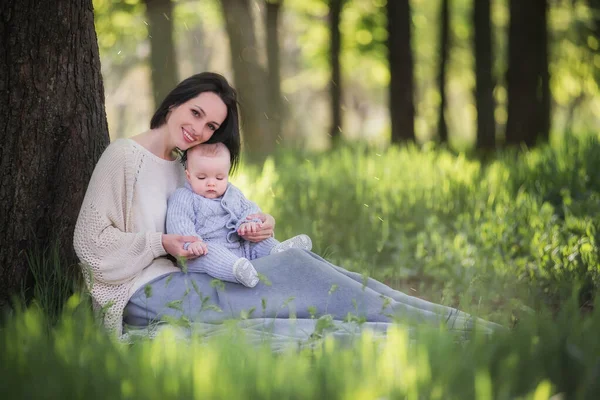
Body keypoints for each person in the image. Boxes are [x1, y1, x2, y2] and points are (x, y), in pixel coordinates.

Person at [74, 72, 501, 338]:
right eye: (195, 112)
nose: (199, 129)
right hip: (148, 294)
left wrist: (257, 229)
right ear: (173, 103)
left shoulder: (187, 166)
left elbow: (217, 226)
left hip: (193, 279)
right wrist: (160, 241)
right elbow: (89, 244)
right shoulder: (124, 158)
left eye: (211, 125)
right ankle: (455, 330)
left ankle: (458, 323)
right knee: (302, 271)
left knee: (319, 269)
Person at [166, 142, 312, 288]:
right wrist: (192, 243)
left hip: (240, 248)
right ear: (189, 176)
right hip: (200, 253)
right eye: (202, 178)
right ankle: (237, 270)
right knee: (211, 253)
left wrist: (250, 223)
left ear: (227, 175)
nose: (211, 183)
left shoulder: (232, 193)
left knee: (258, 243)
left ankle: (282, 253)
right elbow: (179, 222)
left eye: (219, 178)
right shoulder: (184, 197)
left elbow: (248, 208)